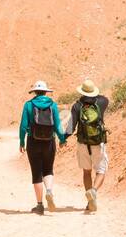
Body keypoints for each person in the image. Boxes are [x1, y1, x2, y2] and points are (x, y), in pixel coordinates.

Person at [18, 81, 66, 215]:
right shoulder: (53, 105)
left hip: (33, 142)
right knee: (48, 169)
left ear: (34, 92)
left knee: (36, 172)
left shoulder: (28, 105)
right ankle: (49, 191)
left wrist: (22, 142)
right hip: (49, 142)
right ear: (45, 92)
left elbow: (23, 126)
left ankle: (39, 206)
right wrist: (62, 139)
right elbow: (57, 125)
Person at [64, 79, 109, 213]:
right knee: (101, 170)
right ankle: (94, 191)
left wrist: (62, 138)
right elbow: (104, 97)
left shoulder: (77, 106)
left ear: (82, 91)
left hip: (83, 144)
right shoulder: (102, 102)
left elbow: (71, 127)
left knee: (86, 172)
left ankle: (90, 201)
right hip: (98, 142)